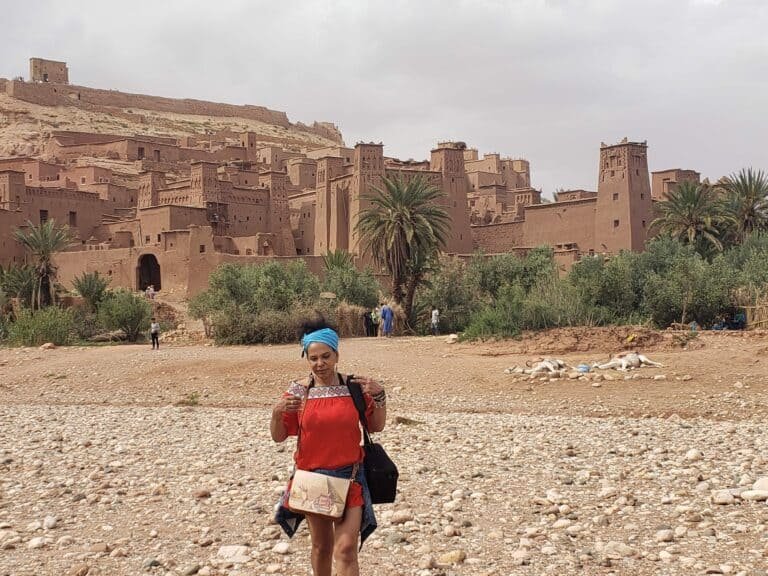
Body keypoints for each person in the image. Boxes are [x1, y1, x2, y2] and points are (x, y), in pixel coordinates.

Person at [272, 321, 387, 576]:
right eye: (313, 358)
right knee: (321, 547)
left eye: (326, 356)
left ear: (336, 355)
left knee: (345, 549)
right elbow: (279, 436)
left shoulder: (354, 387)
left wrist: (380, 396)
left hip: (351, 477)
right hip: (313, 478)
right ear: (306, 358)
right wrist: (276, 413)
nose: (320, 363)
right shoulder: (298, 391)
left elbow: (376, 426)